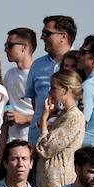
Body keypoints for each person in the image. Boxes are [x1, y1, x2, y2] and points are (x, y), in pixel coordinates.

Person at [18, 15, 76, 143]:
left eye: (47, 33)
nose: (42, 37)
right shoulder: (37, 65)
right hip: (37, 137)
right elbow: (34, 102)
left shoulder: (79, 62)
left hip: (66, 138)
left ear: (63, 37)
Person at [34, 69, 86, 187]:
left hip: (60, 184)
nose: (50, 92)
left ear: (65, 90)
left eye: (53, 88)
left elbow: (45, 148)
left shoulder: (74, 117)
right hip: (50, 183)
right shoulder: (62, 115)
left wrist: (44, 118)